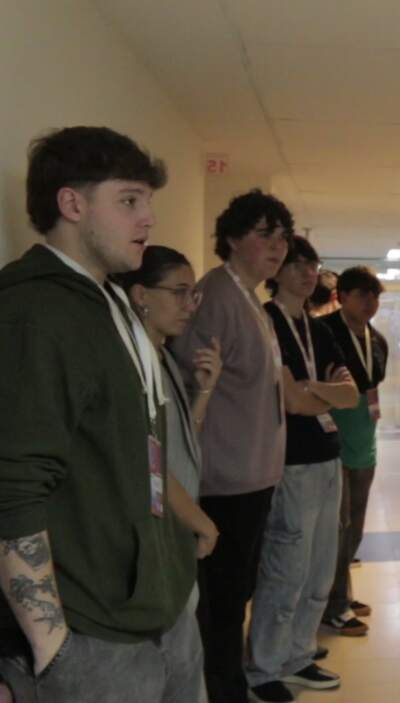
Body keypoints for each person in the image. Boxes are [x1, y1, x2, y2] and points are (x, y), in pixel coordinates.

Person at [0, 126, 199, 701]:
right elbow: (13, 485)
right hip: (92, 635)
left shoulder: (109, 300)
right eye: (129, 201)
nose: (148, 220)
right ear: (72, 203)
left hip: (155, 605)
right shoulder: (35, 312)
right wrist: (49, 643)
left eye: (148, 203)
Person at [169, 188, 294, 703]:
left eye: (282, 236)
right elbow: (191, 382)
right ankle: (223, 692)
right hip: (224, 480)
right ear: (232, 239)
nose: (278, 246)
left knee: (236, 593)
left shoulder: (251, 299)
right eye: (265, 235)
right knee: (221, 601)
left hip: (254, 472)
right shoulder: (216, 295)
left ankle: (230, 683)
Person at [246, 236, 359, 703]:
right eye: (296, 263)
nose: (307, 271)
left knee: (318, 570)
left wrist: (311, 390)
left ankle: (298, 654)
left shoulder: (319, 329)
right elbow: (289, 401)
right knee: (285, 568)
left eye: (312, 263)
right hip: (289, 464)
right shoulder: (265, 322)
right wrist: (318, 392)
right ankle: (263, 668)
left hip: (328, 457)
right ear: (276, 270)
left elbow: (348, 396)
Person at [120, 245, 228, 703]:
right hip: (157, 534)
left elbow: (180, 444)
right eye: (180, 293)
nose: (190, 305)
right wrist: (198, 519)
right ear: (141, 294)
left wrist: (203, 393)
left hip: (176, 528)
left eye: (194, 295)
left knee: (187, 661)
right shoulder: (128, 363)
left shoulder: (162, 356)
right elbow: (144, 461)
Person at [324, 266, 389, 637]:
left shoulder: (377, 339)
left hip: (364, 437)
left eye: (374, 296)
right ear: (341, 296)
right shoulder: (324, 333)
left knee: (356, 524)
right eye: (362, 295)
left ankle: (341, 592)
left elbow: (372, 386)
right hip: (332, 439)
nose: (370, 303)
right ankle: (333, 605)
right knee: (339, 524)